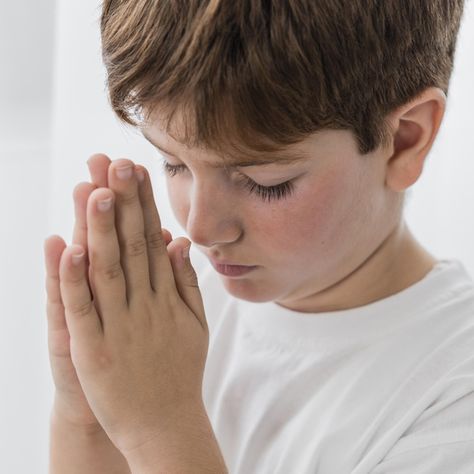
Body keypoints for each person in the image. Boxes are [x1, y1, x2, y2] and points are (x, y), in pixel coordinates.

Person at [44, 1, 474, 472]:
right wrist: (86, 415)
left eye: (266, 182)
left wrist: (159, 427)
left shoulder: (453, 391)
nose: (201, 228)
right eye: (173, 163)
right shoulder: (169, 311)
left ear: (406, 140)